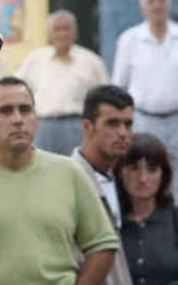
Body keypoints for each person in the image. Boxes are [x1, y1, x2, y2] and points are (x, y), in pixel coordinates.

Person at [0, 76, 120, 285]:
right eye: (5, 111)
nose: (17, 119)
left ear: (36, 118)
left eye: (25, 110)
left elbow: (102, 245)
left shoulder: (69, 172)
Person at [112, 0, 178, 200]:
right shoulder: (129, 40)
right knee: (144, 171)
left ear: (169, 4)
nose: (157, 6)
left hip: (177, 118)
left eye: (161, 1)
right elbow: (119, 86)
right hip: (143, 119)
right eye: (151, 1)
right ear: (143, 7)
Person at [15, 9, 108, 155]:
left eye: (67, 28)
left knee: (76, 170)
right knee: (43, 172)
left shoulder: (92, 61)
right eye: (57, 29)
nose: (62, 34)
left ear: (75, 32)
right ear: (50, 34)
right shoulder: (35, 59)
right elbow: (17, 91)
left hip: (78, 126)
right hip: (42, 127)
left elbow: (105, 99)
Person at [72, 85, 135, 285]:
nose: (123, 133)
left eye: (128, 124)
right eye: (112, 124)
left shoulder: (125, 181)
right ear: (88, 127)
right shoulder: (68, 181)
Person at [113, 133, 178, 285]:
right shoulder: (109, 220)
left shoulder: (174, 218)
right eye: (134, 168)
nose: (143, 178)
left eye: (152, 169)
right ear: (119, 172)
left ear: (164, 175)